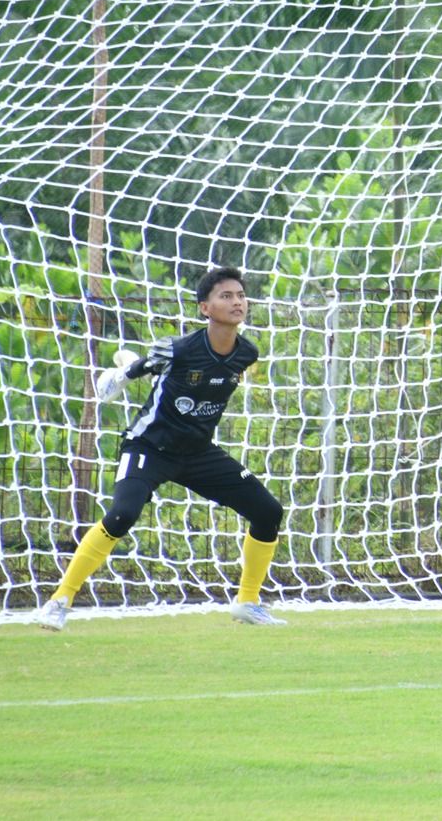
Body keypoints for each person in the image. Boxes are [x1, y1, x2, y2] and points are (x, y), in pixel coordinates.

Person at [37, 266, 288, 630]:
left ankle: (248, 603)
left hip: (198, 452)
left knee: (268, 511)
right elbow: (148, 368)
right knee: (122, 515)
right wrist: (121, 374)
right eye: (226, 296)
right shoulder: (179, 348)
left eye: (240, 295)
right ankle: (59, 600)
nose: (237, 302)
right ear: (205, 308)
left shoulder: (245, 353)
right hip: (149, 447)